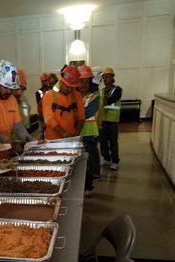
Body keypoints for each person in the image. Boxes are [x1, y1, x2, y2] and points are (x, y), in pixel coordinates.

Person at [42, 65, 85, 140]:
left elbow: (81, 117)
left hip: (72, 137)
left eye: (72, 87)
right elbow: (48, 119)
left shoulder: (77, 95)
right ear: (61, 81)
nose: (70, 90)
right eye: (68, 86)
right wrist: (64, 134)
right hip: (53, 139)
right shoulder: (49, 95)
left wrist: (76, 134)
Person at [77, 65, 101, 196]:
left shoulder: (94, 96)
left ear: (90, 82)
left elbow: (88, 112)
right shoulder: (74, 95)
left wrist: (72, 113)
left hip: (90, 132)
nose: (83, 84)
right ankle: (82, 183)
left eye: (85, 81)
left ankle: (89, 184)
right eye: (80, 81)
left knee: (90, 159)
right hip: (77, 132)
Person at [99, 67, 122, 170]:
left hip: (113, 121)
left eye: (107, 77)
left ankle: (115, 161)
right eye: (103, 77)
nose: (105, 79)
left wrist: (102, 100)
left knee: (113, 142)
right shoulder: (101, 91)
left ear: (112, 77)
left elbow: (111, 100)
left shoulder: (117, 89)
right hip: (102, 120)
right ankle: (106, 158)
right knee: (103, 142)